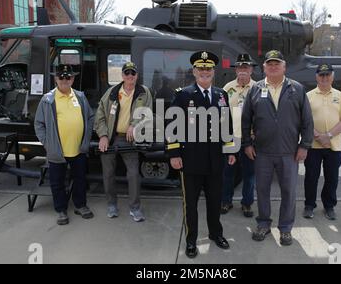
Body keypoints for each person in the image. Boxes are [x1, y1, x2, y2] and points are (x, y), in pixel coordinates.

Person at [166, 51, 237, 259]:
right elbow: (171, 126)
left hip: (215, 160)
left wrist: (231, 149)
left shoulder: (221, 95)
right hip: (191, 161)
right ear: (194, 72)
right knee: (191, 205)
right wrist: (174, 154)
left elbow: (227, 124)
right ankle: (191, 240)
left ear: (213, 72)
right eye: (201, 69)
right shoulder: (183, 95)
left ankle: (216, 234)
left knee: (215, 201)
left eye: (208, 69)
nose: (205, 72)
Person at [242, 50, 314, 246]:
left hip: (289, 152)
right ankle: (263, 223)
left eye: (277, 63)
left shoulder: (297, 89)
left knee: (289, 191)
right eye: (269, 64)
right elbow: (246, 120)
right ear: (264, 67)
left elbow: (307, 121)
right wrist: (247, 144)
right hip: (262, 152)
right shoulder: (255, 89)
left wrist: (304, 146)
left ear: (284, 67)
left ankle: (285, 228)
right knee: (262, 190)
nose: (273, 67)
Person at [35, 64, 95, 226]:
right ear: (55, 78)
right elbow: (39, 124)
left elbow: (90, 118)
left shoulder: (80, 97)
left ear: (73, 79)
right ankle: (61, 210)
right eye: (61, 77)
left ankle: (80, 205)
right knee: (57, 182)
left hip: (78, 149)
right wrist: (48, 143)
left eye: (68, 77)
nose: (64, 80)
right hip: (57, 152)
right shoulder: (48, 100)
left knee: (80, 179)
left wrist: (86, 140)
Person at [94, 62, 153, 222]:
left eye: (132, 73)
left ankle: (135, 208)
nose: (130, 76)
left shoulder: (143, 92)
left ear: (137, 76)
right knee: (108, 173)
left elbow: (148, 115)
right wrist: (103, 136)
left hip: (130, 139)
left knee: (133, 174)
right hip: (111, 138)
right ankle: (112, 204)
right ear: (122, 75)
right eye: (126, 73)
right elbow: (100, 114)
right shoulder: (112, 92)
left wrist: (134, 125)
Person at [303, 64, 341, 221]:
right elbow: (304, 120)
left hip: (333, 146)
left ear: (333, 76)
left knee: (332, 178)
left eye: (327, 75)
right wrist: (318, 136)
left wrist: (328, 136)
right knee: (311, 177)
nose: (324, 78)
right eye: (321, 75)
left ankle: (329, 206)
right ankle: (309, 205)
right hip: (313, 145)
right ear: (316, 77)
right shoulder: (308, 96)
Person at [221, 54, 257, 217]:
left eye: (246, 68)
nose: (242, 71)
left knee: (249, 174)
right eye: (240, 68)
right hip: (230, 138)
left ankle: (247, 204)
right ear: (236, 70)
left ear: (251, 70)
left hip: (250, 139)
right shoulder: (227, 88)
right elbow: (221, 112)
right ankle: (226, 201)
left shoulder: (258, 88)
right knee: (228, 172)